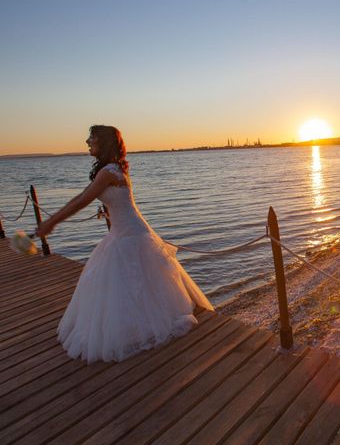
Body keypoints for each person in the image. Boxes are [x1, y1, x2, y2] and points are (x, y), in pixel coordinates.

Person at [35, 125, 214, 363]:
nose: (87, 141)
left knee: (130, 282)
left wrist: (51, 222)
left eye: (92, 138)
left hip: (131, 235)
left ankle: (140, 328)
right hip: (126, 232)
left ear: (104, 143)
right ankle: (138, 325)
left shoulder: (108, 172)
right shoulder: (114, 169)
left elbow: (82, 200)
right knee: (131, 283)